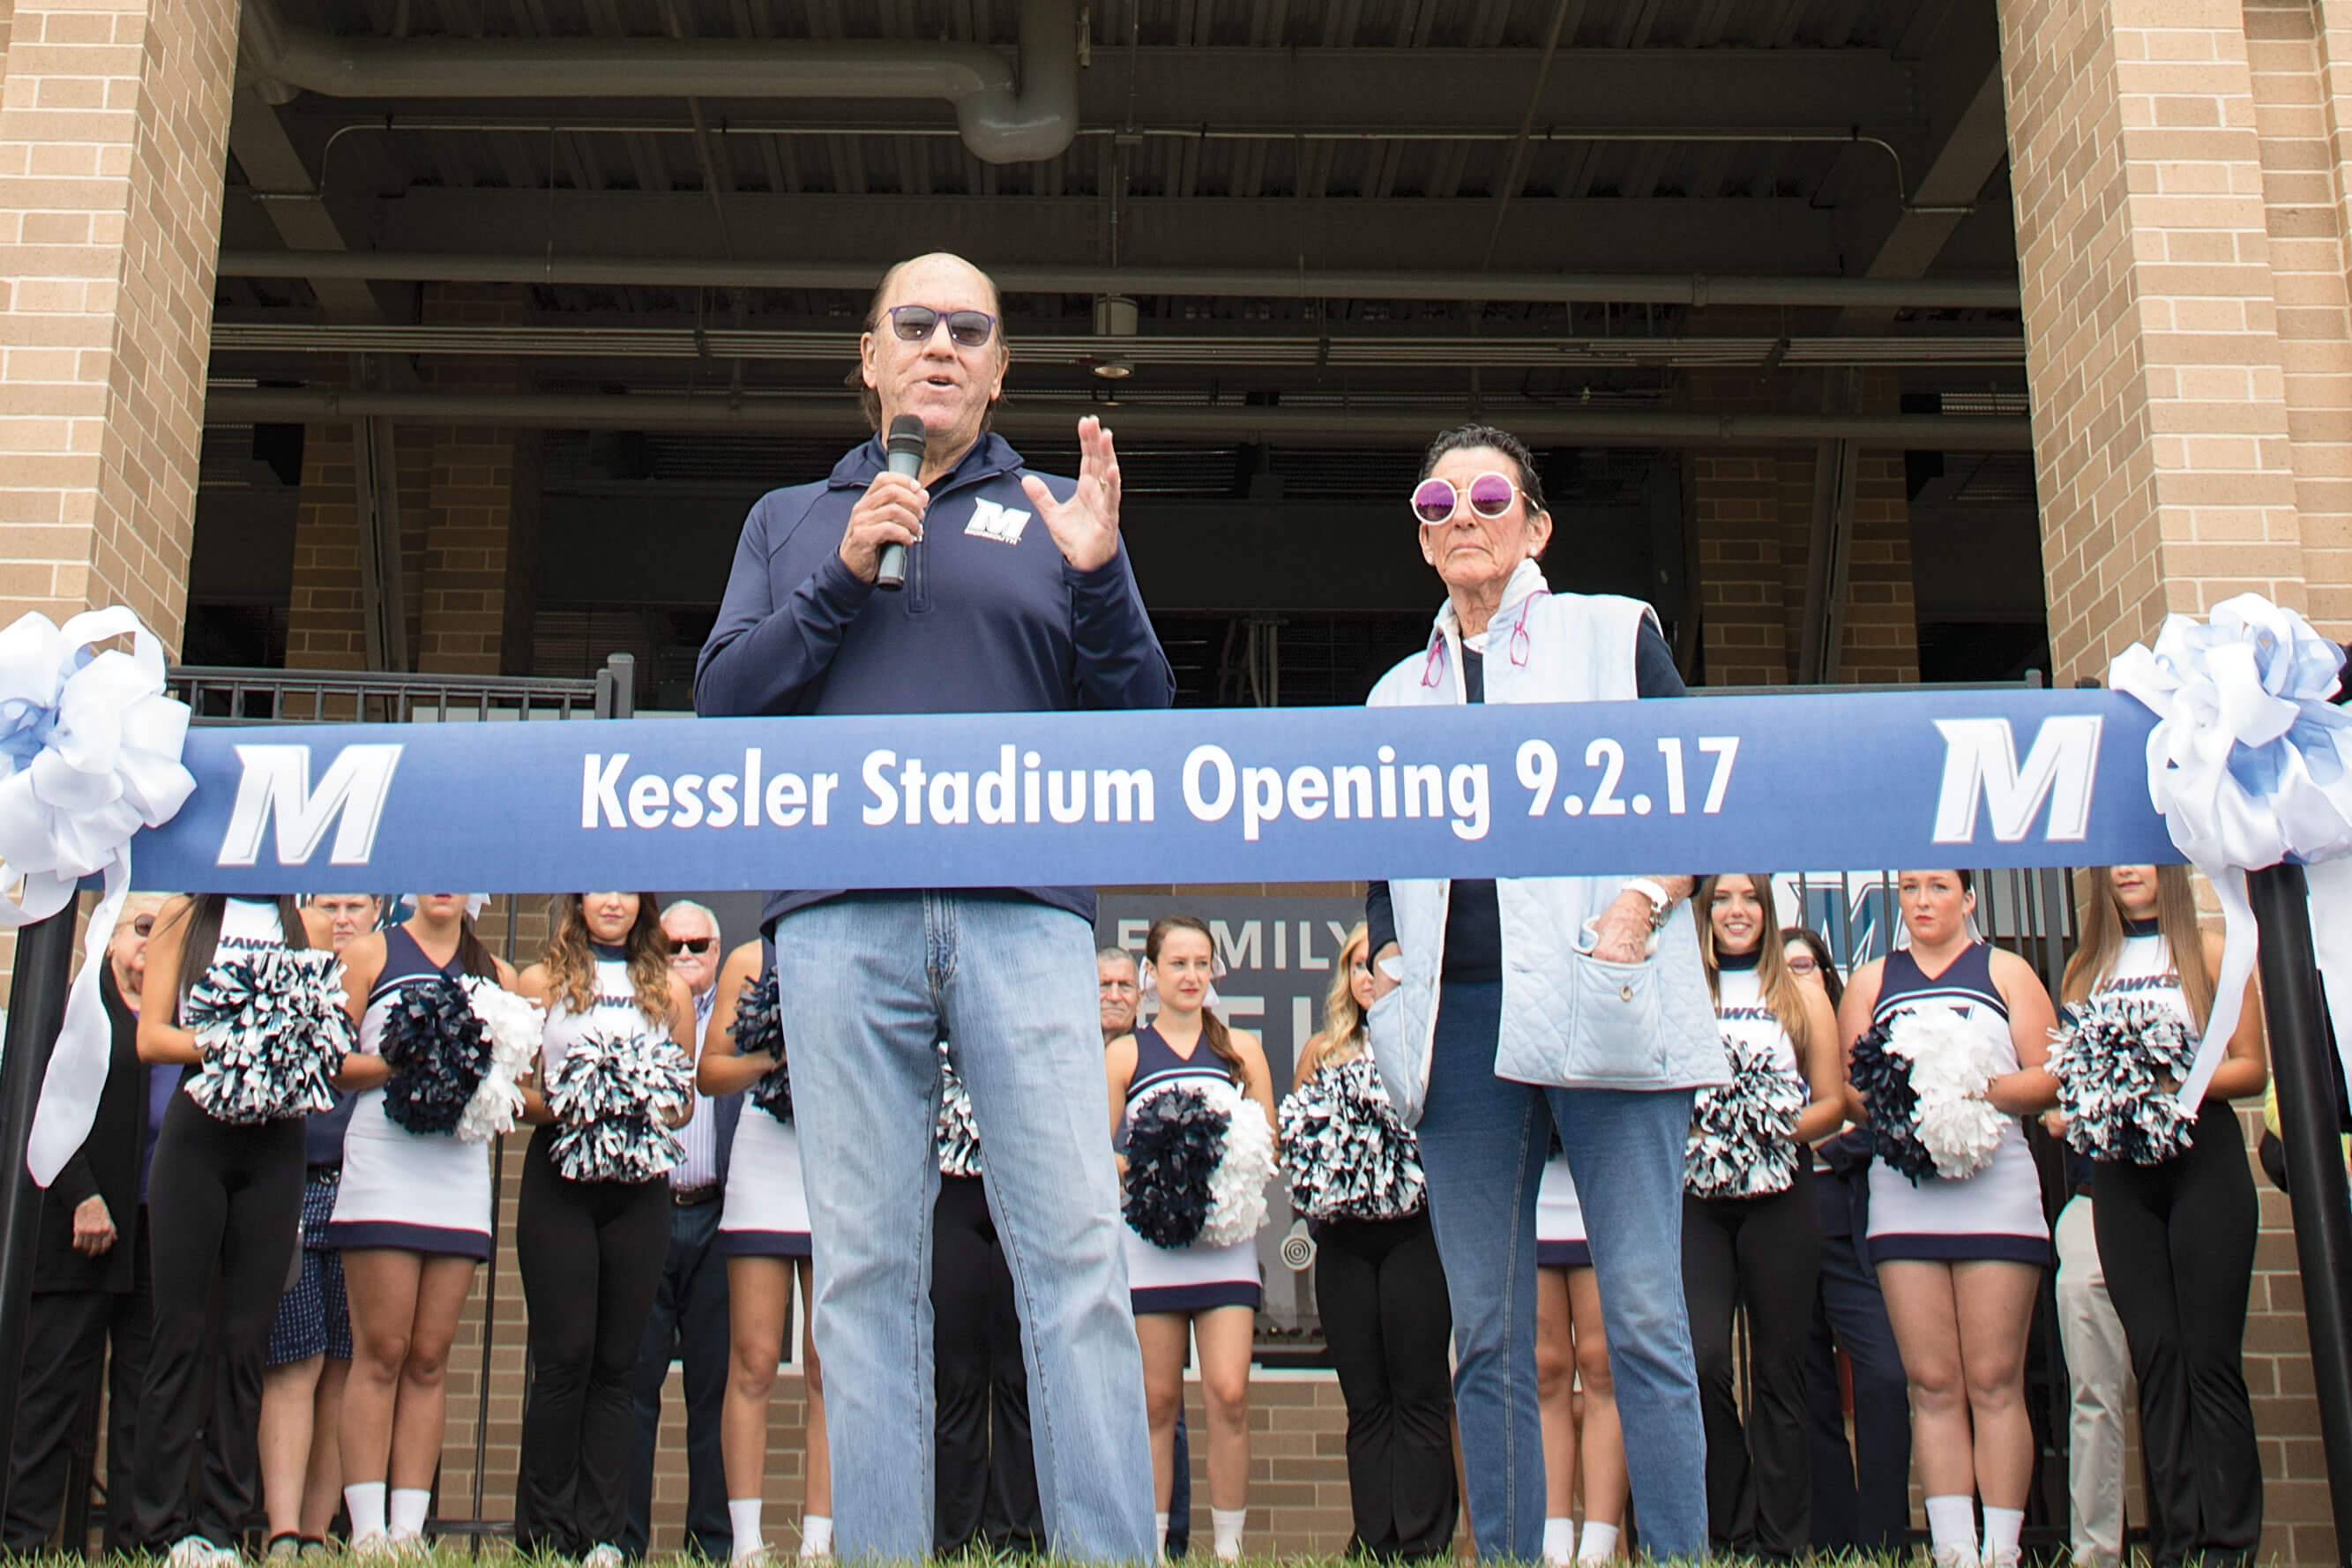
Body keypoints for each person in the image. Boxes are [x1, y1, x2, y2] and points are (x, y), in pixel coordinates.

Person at [695, 250, 1170, 1560]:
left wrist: (1102, 575)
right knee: (861, 1271)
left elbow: (1141, 722)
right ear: (870, 356)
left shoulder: (1058, 511)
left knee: (1073, 1252)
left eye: (971, 329)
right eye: (915, 324)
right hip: (840, 916)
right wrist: (844, 571)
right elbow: (725, 705)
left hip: (1022, 912)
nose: (942, 345)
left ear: (1000, 368)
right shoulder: (791, 518)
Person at [1364, 423, 1717, 1562]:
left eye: (1486, 496)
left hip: (1602, 992)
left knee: (1645, 1317)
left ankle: (1676, 1553)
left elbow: (1699, 793)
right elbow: (1379, 864)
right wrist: (1382, 959)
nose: (1461, 516)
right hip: (1457, 1023)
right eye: (1436, 503)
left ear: (1537, 525)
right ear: (1422, 539)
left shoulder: (1614, 634)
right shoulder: (1392, 696)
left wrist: (1644, 900)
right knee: (1486, 1330)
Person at [1838, 870, 2058, 1568]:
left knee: (1993, 1379)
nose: (1921, 901)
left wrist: (1970, 1088)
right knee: (1931, 1383)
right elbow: (1851, 1093)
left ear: (1967, 899)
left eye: (1937, 887)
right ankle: (1954, 1550)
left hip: (1996, 1193)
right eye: (1909, 888)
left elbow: (2048, 1075)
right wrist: (1909, 1098)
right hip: (1905, 1195)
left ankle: (2003, 1550)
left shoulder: (2005, 971)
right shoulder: (1871, 981)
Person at [2065, 863, 2267, 1568]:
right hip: (2122, 1176)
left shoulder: (2208, 951)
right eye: (2114, 859)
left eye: (2140, 856)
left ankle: (2230, 1545)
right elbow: (2073, 1076)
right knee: (2155, 1359)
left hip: (2201, 1162)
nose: (2125, 869)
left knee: (2209, 1358)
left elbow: (2251, 1067)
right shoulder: (2084, 969)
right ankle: (2177, 1545)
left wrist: (2167, 1082)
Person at [131, 894, 332, 1564]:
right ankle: (160, 1530)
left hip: (276, 1141)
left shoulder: (308, 923)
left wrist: (285, 1040)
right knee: (178, 1334)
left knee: (247, 1340)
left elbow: (321, 1037)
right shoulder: (183, 915)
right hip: (198, 1132)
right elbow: (151, 1037)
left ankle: (221, 1527)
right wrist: (237, 1038)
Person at [329, 894, 518, 1553]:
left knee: (431, 1356)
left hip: (457, 1171)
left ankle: (409, 1531)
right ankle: (367, 1531)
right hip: (385, 1164)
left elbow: (509, 1077)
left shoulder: (496, 972)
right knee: (382, 1350)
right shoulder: (369, 953)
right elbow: (332, 1062)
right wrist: (407, 1061)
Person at [515, 892, 698, 1565]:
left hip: (638, 1182)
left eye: (625, 890)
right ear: (578, 899)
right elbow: (518, 1092)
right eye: (599, 888)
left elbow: (683, 1103)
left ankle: (601, 1537)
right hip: (559, 1177)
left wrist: (636, 1095)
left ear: (642, 903)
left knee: (619, 1364)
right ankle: (544, 1536)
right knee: (563, 1356)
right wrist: (581, 1098)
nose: (612, 901)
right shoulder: (541, 981)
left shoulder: (671, 990)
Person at [1107, 916, 1276, 1564]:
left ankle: (1228, 1549)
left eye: (1201, 963)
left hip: (1224, 1248)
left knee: (1229, 1394)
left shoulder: (1241, 1051)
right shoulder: (1126, 1055)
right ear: (1151, 974)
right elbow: (1097, 1151)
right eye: (1178, 963)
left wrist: (1220, 1170)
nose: (1191, 975)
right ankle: (1153, 1549)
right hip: (1151, 1248)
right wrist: (1157, 1170)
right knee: (1156, 1402)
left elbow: (1266, 1146)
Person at [1686, 875, 1845, 1557]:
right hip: (1697, 1199)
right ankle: (1730, 1529)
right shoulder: (1684, 988)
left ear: (1766, 909)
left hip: (1780, 1191)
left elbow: (1831, 1103)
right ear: (1705, 911)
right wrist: (1709, 1134)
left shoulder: (1800, 992)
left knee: (1779, 1370)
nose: (1736, 911)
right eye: (1722, 899)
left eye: (1748, 898)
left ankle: (1782, 1542)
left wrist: (1764, 1130)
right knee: (1702, 1362)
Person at [4, 892, 165, 1554]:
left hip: (155, 1231)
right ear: (111, 935)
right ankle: (22, 1539)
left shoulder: (180, 1013)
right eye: (143, 926)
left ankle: (132, 1542)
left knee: (143, 1395)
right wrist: (82, 1196)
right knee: (52, 1391)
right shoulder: (78, 1009)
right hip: (81, 1229)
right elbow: (39, 1107)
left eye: (168, 929)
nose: (152, 941)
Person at [1294, 923, 1455, 1562]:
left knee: (1418, 1389)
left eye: (1380, 965)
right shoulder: (1322, 1051)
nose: (1369, 976)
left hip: (1415, 1235)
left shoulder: (1428, 1043)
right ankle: (1372, 1540)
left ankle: (1423, 1540)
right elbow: (1300, 1148)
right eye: (1359, 966)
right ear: (1347, 977)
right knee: (1363, 1398)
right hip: (1343, 1242)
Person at [697, 938, 830, 1564]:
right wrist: (775, 1055)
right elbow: (709, 1072)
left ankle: (817, 1543)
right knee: (752, 1361)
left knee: (827, 1366)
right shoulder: (749, 960)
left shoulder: (854, 945)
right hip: (763, 1158)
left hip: (834, 1160)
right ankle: (747, 1545)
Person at [259, 891, 379, 1556]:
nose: (342, 918)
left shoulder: (382, 983)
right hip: (293, 1187)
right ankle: (281, 1530)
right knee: (293, 1360)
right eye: (328, 904)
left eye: (355, 904)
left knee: (344, 1363)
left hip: (361, 1188)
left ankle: (315, 1532)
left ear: (377, 911)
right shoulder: (280, 978)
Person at [1786, 927, 1912, 1555]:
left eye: (1805, 966)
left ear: (1827, 977)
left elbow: (1883, 1119)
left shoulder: (1854, 1041)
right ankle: (1833, 1543)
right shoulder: (1755, 1042)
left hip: (1848, 1212)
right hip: (1781, 1217)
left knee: (1883, 1373)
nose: (1796, 978)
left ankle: (1884, 1541)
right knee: (1805, 1382)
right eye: (1784, 969)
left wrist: (1836, 1141)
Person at [623, 900, 743, 1560]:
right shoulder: (639, 1011)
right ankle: (624, 1541)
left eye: (698, 944)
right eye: (672, 946)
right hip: (648, 1210)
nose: (686, 955)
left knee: (715, 1388)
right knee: (633, 1384)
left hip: (719, 1214)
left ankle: (713, 1545)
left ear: (718, 952)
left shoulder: (736, 1017)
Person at [932, 1051, 1043, 1556]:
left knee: (1020, 1376)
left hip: (1024, 1185)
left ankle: (1019, 1540)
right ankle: (955, 1541)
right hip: (948, 1188)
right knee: (958, 1375)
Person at [1101, 945, 1191, 1557]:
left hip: (1147, 1241)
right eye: (1102, 985)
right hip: (1084, 1240)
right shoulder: (1067, 1054)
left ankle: (1167, 1537)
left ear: (1142, 994)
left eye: (1124, 985)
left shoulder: (1150, 1056)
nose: (1114, 995)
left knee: (1160, 1397)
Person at [2042, 1119, 2128, 1568]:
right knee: (2092, 1392)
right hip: (2091, 1199)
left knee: (2186, 1378)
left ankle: (2194, 1548)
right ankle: (2095, 1557)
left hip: (2179, 1189)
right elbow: (2052, 1108)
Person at [1534, 1155, 1622, 1566]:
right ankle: (1554, 1550)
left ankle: (1599, 1551)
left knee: (1602, 1366)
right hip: (1531, 1188)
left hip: (1604, 1180)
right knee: (1543, 1370)